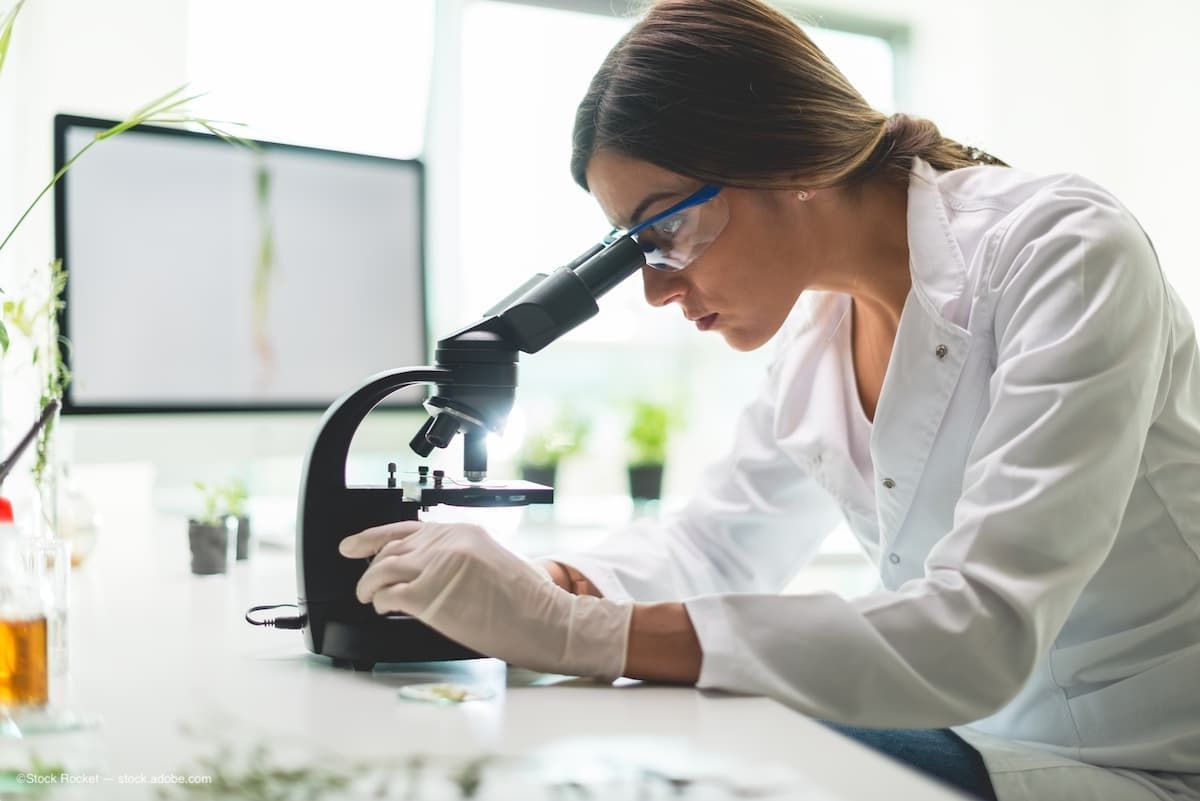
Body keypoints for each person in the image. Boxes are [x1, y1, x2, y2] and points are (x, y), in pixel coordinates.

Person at [337, 1, 1200, 798]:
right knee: (635, 722)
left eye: (665, 231)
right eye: (636, 249)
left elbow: (983, 628)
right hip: (974, 732)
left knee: (684, 749)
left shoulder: (1064, 252)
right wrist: (539, 583)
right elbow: (713, 547)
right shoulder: (819, 335)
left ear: (787, 158)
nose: (656, 290)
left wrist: (575, 630)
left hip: (1141, 760)